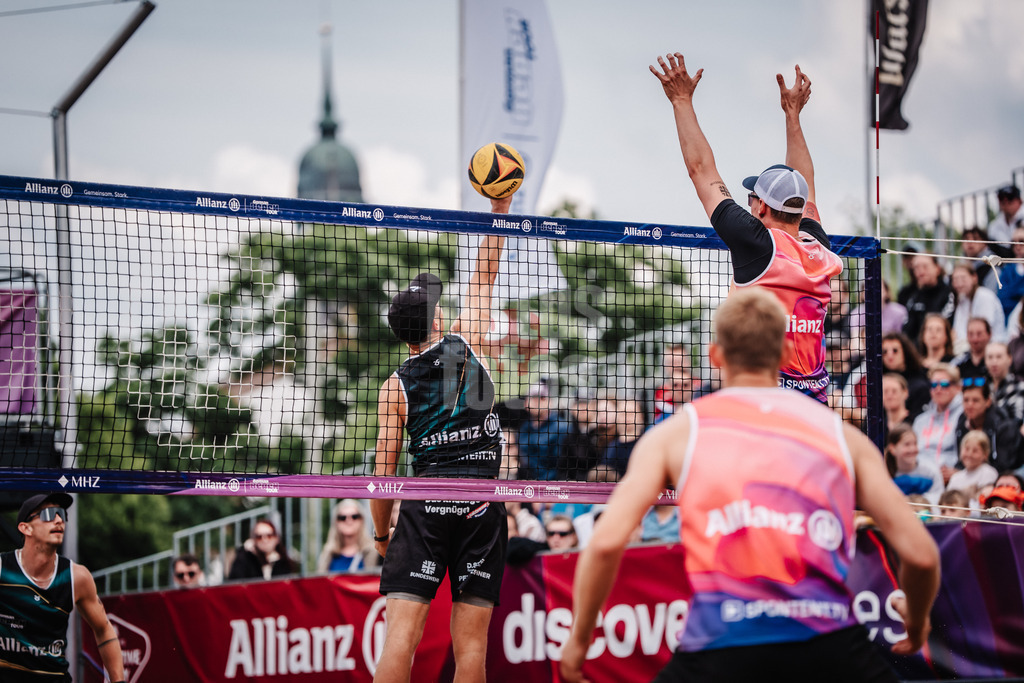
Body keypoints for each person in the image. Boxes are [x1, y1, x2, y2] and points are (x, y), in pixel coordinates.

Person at [560, 287, 940, 683]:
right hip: (828, 643)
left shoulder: (674, 434)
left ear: (715, 357)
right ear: (785, 355)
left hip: (720, 646)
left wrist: (578, 643)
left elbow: (604, 544)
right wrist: (916, 622)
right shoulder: (842, 435)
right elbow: (922, 555)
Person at [370, 195, 511, 683]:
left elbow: (382, 474)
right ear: (434, 322)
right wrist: (500, 207)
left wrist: (382, 535)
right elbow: (485, 272)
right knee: (471, 650)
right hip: (481, 504)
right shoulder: (466, 338)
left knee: (400, 641)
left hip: (425, 505)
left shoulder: (395, 385)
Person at [650, 54, 842, 403]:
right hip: (814, 404)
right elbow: (806, 183)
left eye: (752, 196)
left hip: (762, 402)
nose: (749, 202)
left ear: (762, 206)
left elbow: (701, 171)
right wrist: (793, 116)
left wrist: (681, 101)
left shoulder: (756, 244)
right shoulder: (818, 247)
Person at [0, 493, 126, 682]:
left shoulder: (77, 577)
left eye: (61, 514)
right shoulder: (2, 568)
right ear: (26, 528)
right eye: (49, 514)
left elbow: (104, 630)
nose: (59, 520)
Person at [953, 377, 1022, 474]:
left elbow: (1004, 466)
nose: (970, 405)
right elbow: (961, 460)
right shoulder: (962, 422)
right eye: (966, 400)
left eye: (975, 400)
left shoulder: (1004, 426)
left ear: (988, 401)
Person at [912, 363, 965, 485]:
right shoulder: (920, 420)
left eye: (944, 384)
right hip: (921, 479)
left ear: (957, 387)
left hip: (951, 480)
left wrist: (959, 472)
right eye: (933, 385)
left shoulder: (964, 415)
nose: (938, 389)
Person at [516, 379, 571, 481]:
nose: (536, 402)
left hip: (553, 487)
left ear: (550, 402)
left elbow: (562, 466)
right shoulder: (523, 429)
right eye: (533, 397)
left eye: (541, 397)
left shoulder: (562, 428)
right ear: (526, 403)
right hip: (526, 486)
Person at [885, 424, 944, 504]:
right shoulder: (884, 472)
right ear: (893, 448)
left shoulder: (931, 471)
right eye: (907, 444)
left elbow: (936, 504)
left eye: (915, 444)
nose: (912, 449)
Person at [316, 499, 379, 574]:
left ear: (362, 520)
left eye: (354, 517)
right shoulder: (328, 553)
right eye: (342, 518)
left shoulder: (374, 551)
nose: (349, 521)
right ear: (336, 522)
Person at [903, 255, 956, 343]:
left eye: (925, 266)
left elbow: (944, 325)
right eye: (916, 268)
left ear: (937, 269)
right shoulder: (913, 297)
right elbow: (907, 330)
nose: (921, 272)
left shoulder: (948, 294)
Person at [951, 265, 1005, 345]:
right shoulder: (962, 299)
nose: (959, 284)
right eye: (955, 280)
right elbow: (957, 330)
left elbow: (982, 330)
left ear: (974, 278)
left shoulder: (985, 296)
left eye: (963, 278)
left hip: (992, 344)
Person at [227, 518, 296, 581]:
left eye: (269, 536)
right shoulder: (246, 558)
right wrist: (243, 551)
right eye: (259, 537)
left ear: (276, 538)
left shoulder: (284, 562)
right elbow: (234, 581)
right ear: (254, 540)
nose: (264, 540)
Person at [883, 332, 932, 418]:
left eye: (895, 351)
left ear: (905, 352)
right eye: (884, 352)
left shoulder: (920, 384)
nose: (889, 356)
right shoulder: (878, 382)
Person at [947, 430, 999, 500]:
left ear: (985, 455)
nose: (969, 454)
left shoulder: (988, 472)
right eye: (966, 449)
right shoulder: (955, 478)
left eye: (975, 451)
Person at [985, 342, 1024, 423]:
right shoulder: (982, 386)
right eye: (990, 357)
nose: (994, 362)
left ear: (1009, 359)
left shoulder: (1019, 387)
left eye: (999, 357)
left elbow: (1017, 421)